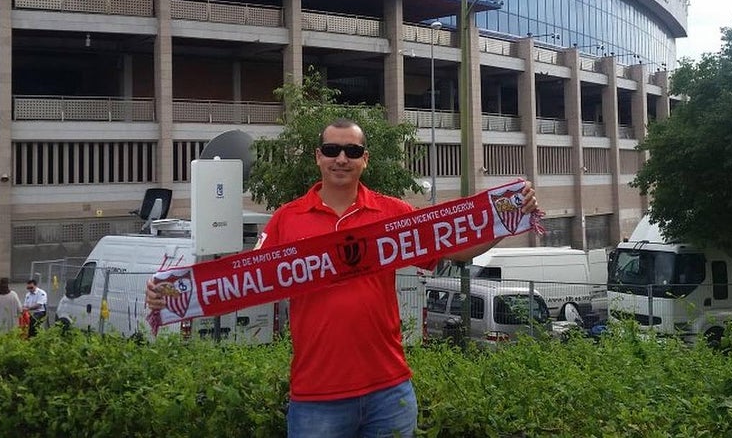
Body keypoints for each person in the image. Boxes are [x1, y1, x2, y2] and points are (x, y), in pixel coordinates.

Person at [147, 118, 538, 437]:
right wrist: (172, 293)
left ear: (364, 159)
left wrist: (505, 221)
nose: (341, 159)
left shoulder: (392, 213)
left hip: (389, 388)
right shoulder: (288, 217)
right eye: (332, 150)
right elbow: (245, 280)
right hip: (316, 395)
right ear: (318, 157)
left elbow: (452, 248)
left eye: (351, 151)